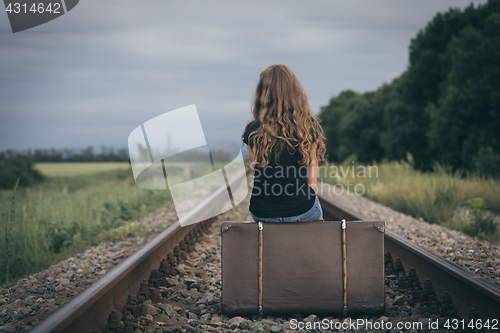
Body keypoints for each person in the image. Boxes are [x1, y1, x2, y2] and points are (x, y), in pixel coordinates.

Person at [242, 64, 326, 223]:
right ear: (295, 92)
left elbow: (256, 172)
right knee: (317, 215)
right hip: (302, 211)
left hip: (262, 212)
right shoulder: (308, 127)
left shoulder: (253, 131)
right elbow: (312, 182)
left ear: (262, 93)